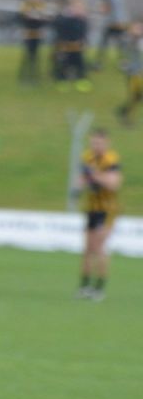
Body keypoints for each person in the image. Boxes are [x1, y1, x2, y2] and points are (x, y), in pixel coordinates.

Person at [74, 129, 121, 301]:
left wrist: (95, 176)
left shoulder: (111, 160)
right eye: (93, 143)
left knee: (99, 248)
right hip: (91, 208)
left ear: (106, 143)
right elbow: (83, 178)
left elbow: (114, 184)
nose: (95, 146)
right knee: (87, 249)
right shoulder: (87, 157)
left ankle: (99, 288)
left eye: (99, 143)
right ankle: (84, 286)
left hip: (107, 209)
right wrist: (79, 186)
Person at [52, 0, 91, 92]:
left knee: (79, 61)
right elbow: (59, 24)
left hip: (77, 41)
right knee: (65, 61)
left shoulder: (82, 10)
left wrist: (85, 40)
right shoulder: (64, 10)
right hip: (65, 41)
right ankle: (62, 80)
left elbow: (85, 28)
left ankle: (81, 81)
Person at [16, 0, 49, 85]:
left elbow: (44, 20)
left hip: (37, 34)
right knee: (27, 55)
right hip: (28, 33)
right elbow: (22, 19)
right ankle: (25, 76)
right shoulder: (25, 5)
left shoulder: (41, 5)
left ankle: (35, 76)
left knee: (36, 56)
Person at [94, 0, 128, 70]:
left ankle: (123, 63)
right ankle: (99, 62)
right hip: (111, 23)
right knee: (104, 43)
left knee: (120, 44)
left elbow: (109, 4)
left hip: (116, 23)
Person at [116, 22, 143, 127]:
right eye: (137, 28)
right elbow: (125, 57)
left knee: (138, 97)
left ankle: (122, 111)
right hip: (133, 74)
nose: (139, 30)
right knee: (133, 97)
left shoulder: (140, 41)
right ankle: (127, 119)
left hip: (140, 73)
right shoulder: (128, 40)